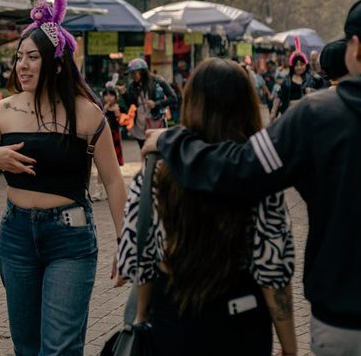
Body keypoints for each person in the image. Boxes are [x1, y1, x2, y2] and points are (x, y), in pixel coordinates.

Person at [144, 0, 361, 354]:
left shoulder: (316, 116)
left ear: (356, 47)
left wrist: (174, 139)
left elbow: (239, 168)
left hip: (343, 318)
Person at [0, 0, 127, 355]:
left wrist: (126, 239)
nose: (22, 65)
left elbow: (115, 181)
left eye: (32, 57)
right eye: (19, 57)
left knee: (60, 348)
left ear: (55, 63)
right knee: (27, 347)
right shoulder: (2, 112)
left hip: (70, 236)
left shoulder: (87, 115)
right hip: (16, 236)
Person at [119, 58, 297, 355]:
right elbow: (273, 273)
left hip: (172, 322)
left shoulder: (154, 173)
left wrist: (140, 318)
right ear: (246, 106)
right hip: (241, 323)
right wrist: (290, 348)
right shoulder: (258, 178)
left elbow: (138, 262)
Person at [121, 58, 177, 148]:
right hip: (139, 126)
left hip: (155, 123)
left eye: (134, 73)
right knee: (144, 152)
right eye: (131, 74)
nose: (132, 76)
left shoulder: (158, 81)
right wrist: (124, 94)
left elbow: (173, 98)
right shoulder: (132, 87)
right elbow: (131, 106)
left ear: (142, 72)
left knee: (155, 152)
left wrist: (156, 104)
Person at [270, 40, 326, 121]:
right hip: (289, 115)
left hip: (307, 115)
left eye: (301, 64)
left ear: (306, 64)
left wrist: (312, 91)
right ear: (292, 66)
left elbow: (323, 92)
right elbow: (279, 95)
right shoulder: (287, 80)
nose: (299, 67)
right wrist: (273, 111)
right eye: (296, 65)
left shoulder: (313, 78)